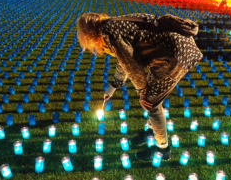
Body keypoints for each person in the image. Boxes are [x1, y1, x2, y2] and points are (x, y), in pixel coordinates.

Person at [77, 13, 203, 161]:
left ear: (89, 33)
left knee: (151, 102)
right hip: (168, 52)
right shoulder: (110, 25)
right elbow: (124, 58)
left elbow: (132, 66)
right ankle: (153, 130)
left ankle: (162, 149)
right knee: (151, 98)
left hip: (174, 55)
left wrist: (142, 92)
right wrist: (113, 86)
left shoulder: (109, 34)